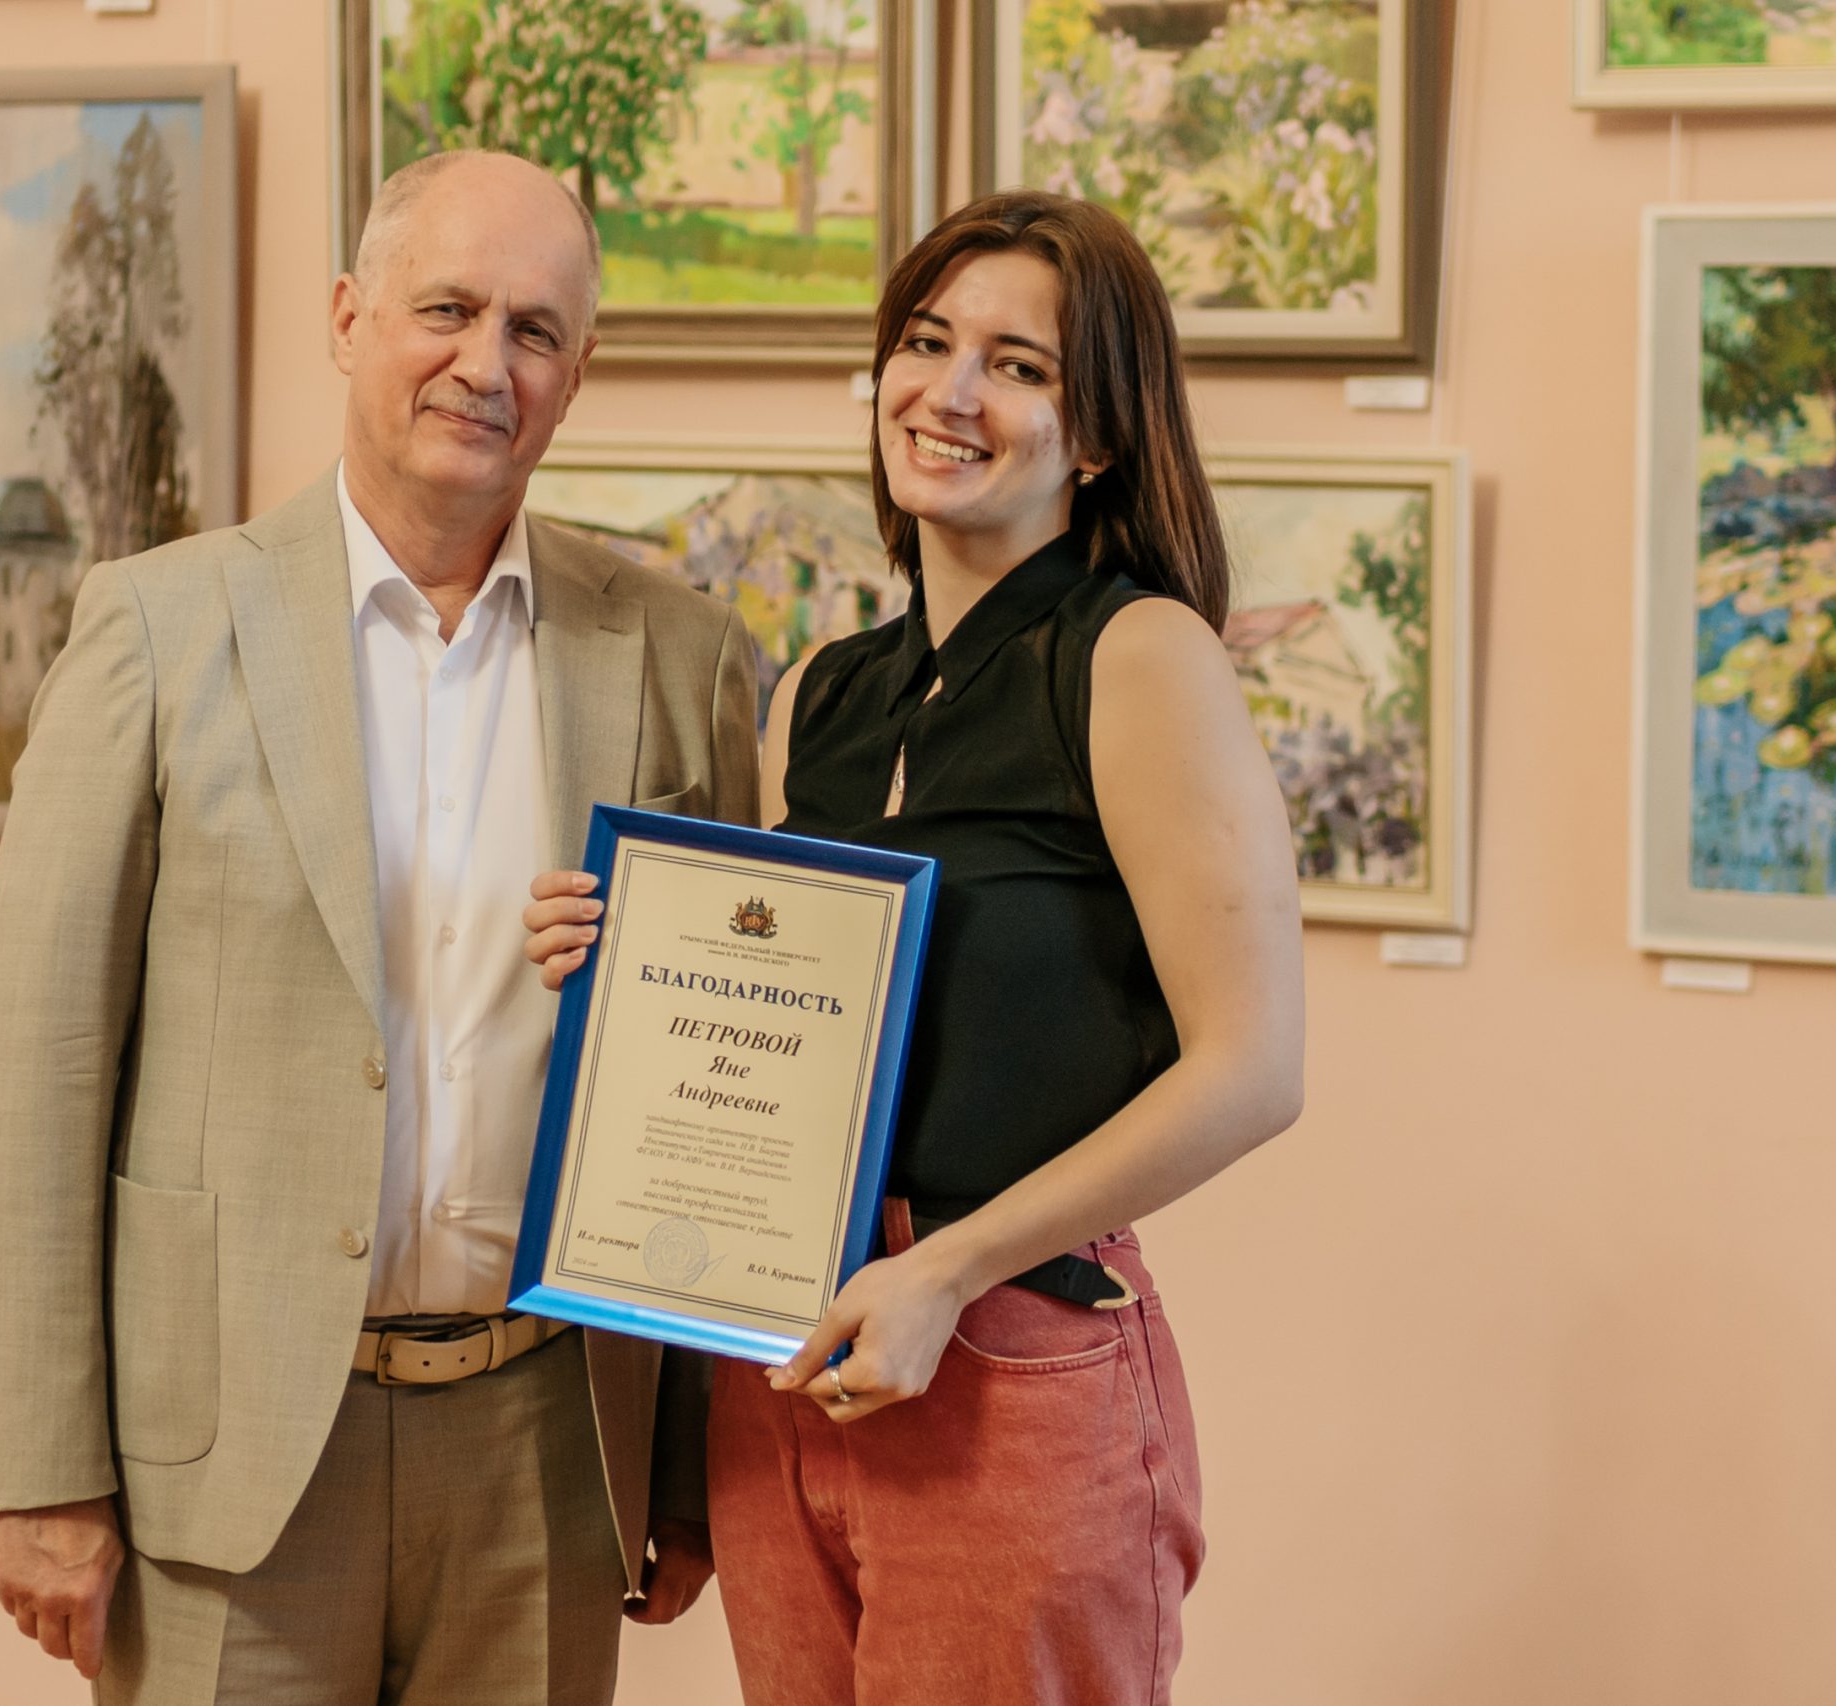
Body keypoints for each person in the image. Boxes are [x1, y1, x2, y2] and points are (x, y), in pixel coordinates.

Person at [0, 149, 756, 1706]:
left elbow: (711, 1081)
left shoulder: (683, 656)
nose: (486, 363)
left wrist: (679, 1465)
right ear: (347, 317)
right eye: (446, 309)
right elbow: (39, 1080)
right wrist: (47, 1468)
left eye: (535, 331)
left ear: (579, 374)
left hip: (543, 1448)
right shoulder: (156, 627)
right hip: (234, 1450)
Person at [522, 189, 1304, 1703]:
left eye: (1019, 365)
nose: (950, 391)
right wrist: (622, 967)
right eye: (928, 342)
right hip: (786, 1360)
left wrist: (947, 1270)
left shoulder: (1141, 655)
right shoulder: (820, 690)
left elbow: (1254, 1068)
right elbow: (778, 1046)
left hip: (1009, 1357)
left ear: (1097, 434)